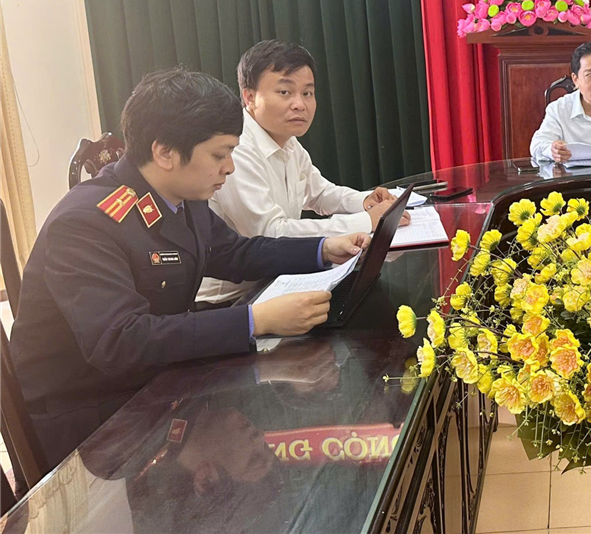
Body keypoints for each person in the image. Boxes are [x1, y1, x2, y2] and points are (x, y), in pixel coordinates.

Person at [8, 68, 370, 464]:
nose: (229, 168)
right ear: (165, 153)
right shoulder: (85, 222)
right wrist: (256, 320)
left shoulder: (181, 196)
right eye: (219, 155)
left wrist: (322, 250)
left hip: (156, 379)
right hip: (93, 419)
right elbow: (120, 341)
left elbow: (236, 253)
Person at [197, 40, 408, 306]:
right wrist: (367, 221)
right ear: (249, 97)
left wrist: (365, 202)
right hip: (230, 302)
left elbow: (319, 193)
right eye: (285, 92)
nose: (300, 104)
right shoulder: (237, 148)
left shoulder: (286, 140)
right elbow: (270, 233)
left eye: (307, 93)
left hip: (276, 281)